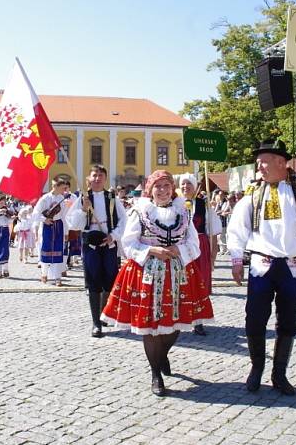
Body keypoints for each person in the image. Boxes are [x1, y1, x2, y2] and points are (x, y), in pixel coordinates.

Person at [227, 139, 296, 395]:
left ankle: (279, 374)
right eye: (258, 162)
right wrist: (235, 260)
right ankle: (256, 369)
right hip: (262, 266)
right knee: (254, 320)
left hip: (293, 266)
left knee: (288, 322)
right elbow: (237, 228)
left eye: (263, 161)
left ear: (281, 162)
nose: (259, 166)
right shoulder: (253, 193)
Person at [101, 170, 214, 396]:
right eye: (157, 187)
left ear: (173, 189)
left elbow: (194, 243)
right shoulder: (140, 212)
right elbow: (128, 243)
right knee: (150, 327)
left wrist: (178, 250)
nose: (162, 191)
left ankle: (161, 356)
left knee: (175, 324)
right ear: (150, 190)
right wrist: (151, 250)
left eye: (166, 186)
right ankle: (156, 374)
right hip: (147, 274)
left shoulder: (184, 212)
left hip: (179, 273)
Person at [68, 165, 128, 338]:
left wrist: (114, 236)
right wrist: (83, 209)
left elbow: (123, 220)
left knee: (110, 280)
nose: (97, 179)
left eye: (100, 175)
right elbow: (74, 224)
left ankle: (104, 314)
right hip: (91, 245)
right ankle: (95, 323)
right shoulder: (83, 198)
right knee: (93, 281)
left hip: (108, 243)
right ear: (89, 178)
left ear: (105, 178)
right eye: (94, 175)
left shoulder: (112, 198)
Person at [179, 173, 222, 337]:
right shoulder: (174, 204)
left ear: (195, 187)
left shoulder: (204, 205)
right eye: (183, 184)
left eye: (189, 184)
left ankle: (198, 321)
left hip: (200, 247)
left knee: (199, 284)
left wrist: (213, 255)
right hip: (180, 248)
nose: (185, 187)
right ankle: (179, 318)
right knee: (180, 284)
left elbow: (213, 232)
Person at [32, 179, 71, 286]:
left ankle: (57, 277)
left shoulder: (61, 198)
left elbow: (64, 216)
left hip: (59, 226)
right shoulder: (45, 198)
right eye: (62, 187)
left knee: (59, 251)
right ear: (56, 187)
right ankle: (44, 274)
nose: (64, 190)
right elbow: (35, 213)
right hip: (48, 226)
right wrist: (45, 220)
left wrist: (66, 231)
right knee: (46, 250)